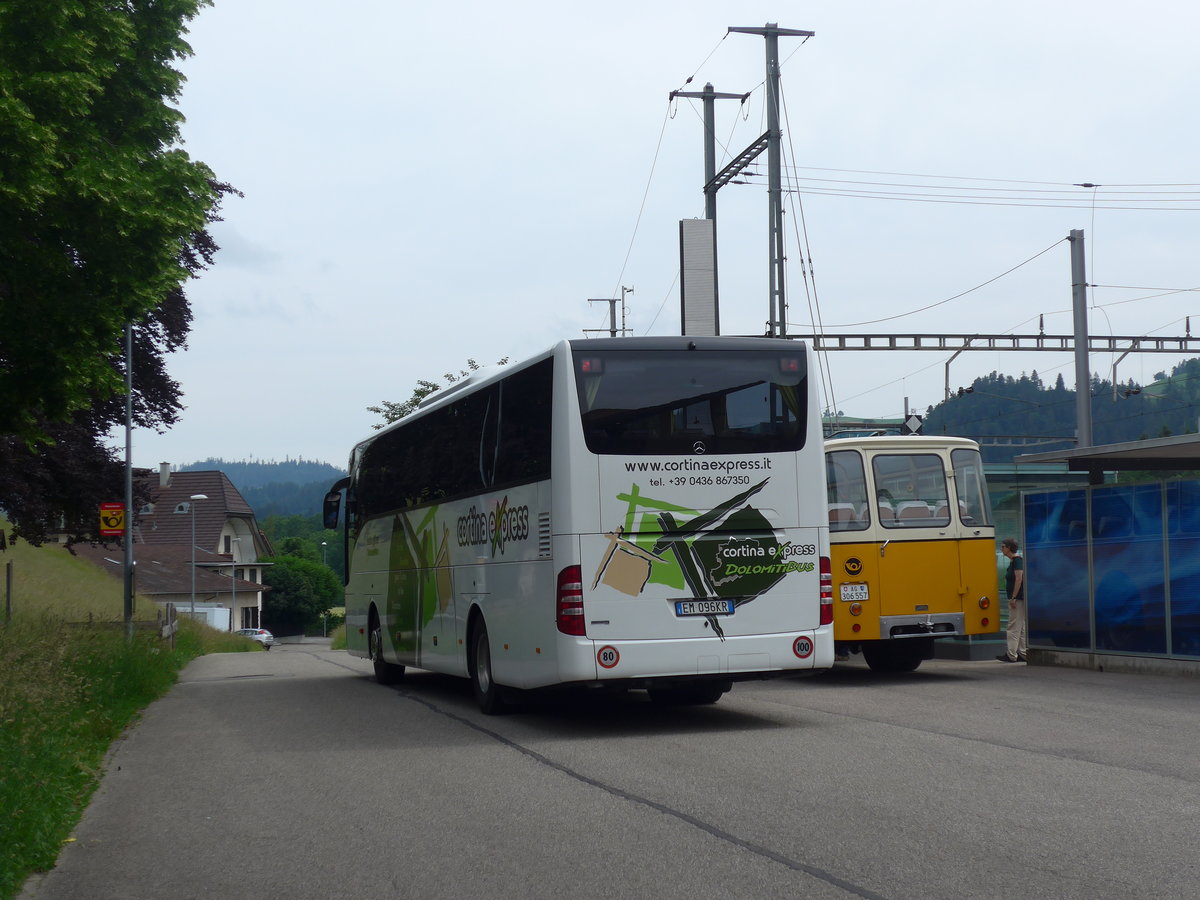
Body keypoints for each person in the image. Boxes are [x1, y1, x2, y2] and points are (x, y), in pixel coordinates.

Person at [996, 538, 1027, 663]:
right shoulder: (1014, 561)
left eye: (1003, 546)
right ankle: (1022, 652)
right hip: (1018, 599)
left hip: (1018, 599)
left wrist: (1013, 597)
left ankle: (1011, 654)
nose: (1001, 549)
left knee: (1013, 626)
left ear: (1009, 548)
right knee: (1021, 626)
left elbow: (1019, 578)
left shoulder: (1017, 561)